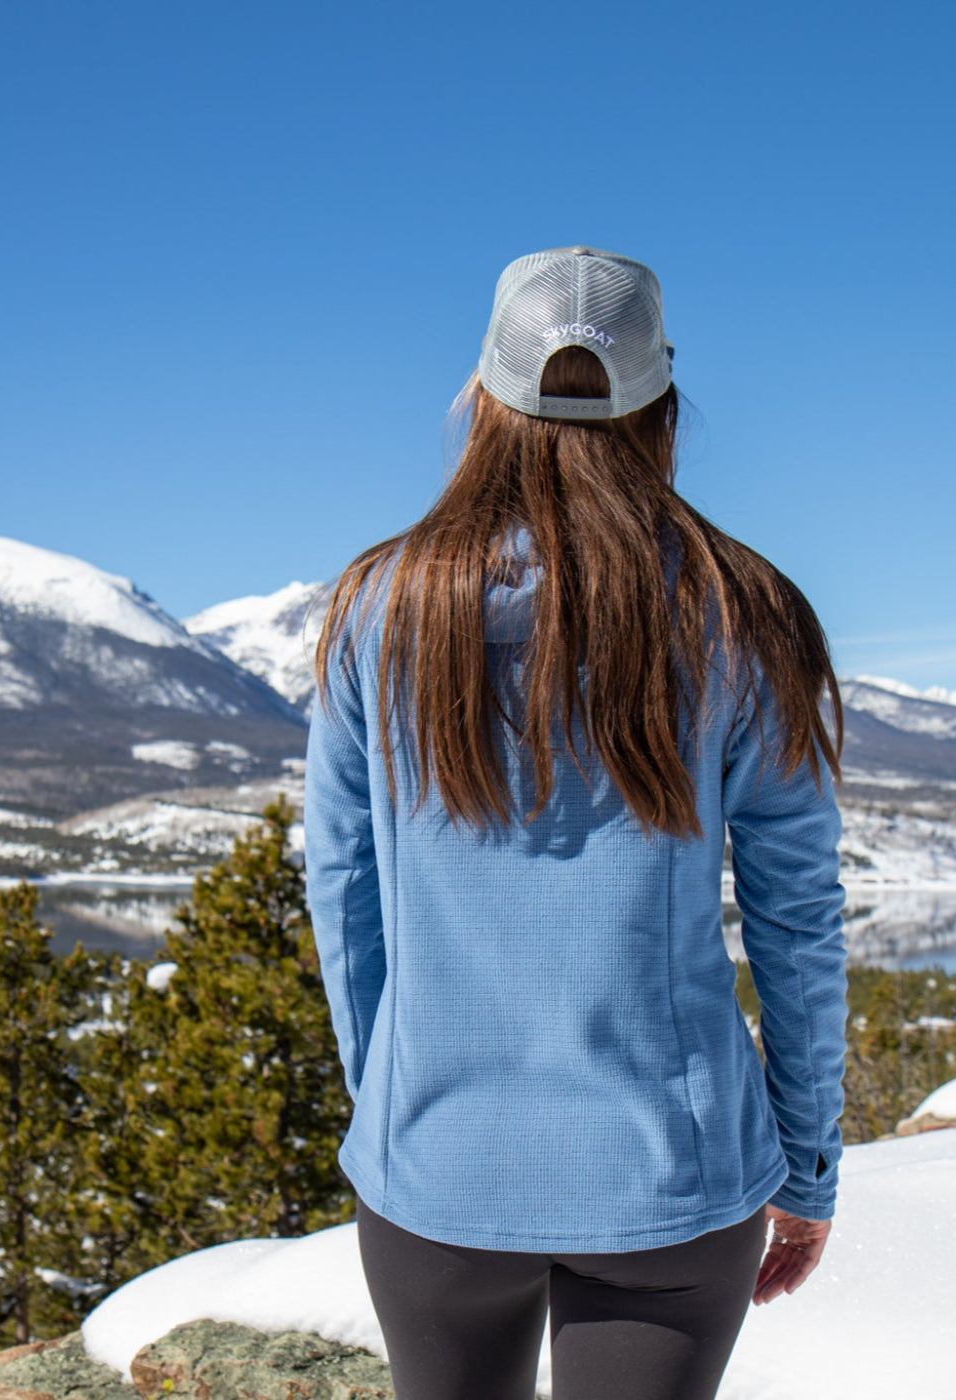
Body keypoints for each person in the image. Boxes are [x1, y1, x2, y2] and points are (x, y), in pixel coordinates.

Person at [302, 246, 848, 1400]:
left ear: (481, 395)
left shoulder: (378, 609)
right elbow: (796, 921)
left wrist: (393, 1106)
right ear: (662, 402)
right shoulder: (742, 613)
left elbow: (343, 891)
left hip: (435, 1172)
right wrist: (805, 1161)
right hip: (672, 1182)